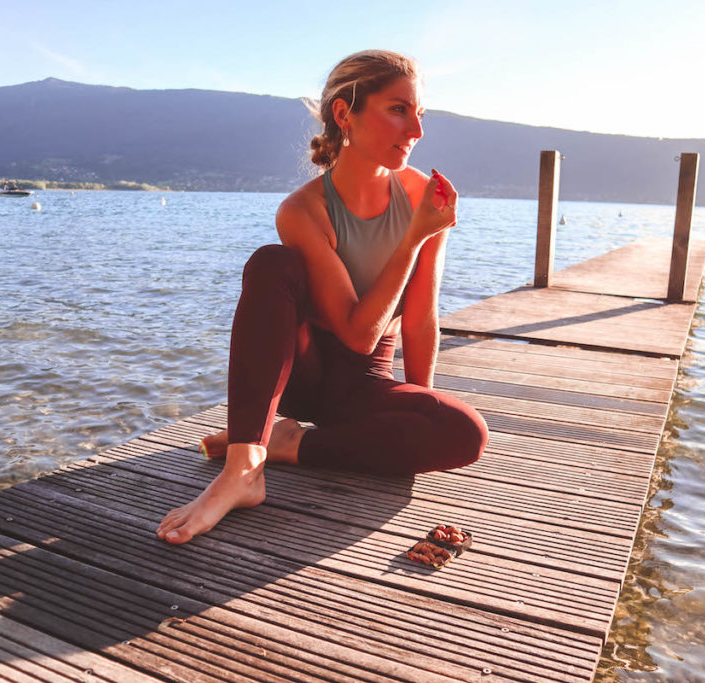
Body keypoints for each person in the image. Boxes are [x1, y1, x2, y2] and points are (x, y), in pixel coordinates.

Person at [156, 50, 488, 545]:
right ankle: (244, 467)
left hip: (367, 380)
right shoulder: (304, 209)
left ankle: (289, 443)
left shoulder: (422, 196)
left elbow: (419, 320)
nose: (416, 130)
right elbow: (356, 334)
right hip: (304, 373)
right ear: (344, 113)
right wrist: (412, 239)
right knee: (272, 262)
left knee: (464, 433)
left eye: (420, 113)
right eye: (398, 109)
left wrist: (423, 403)